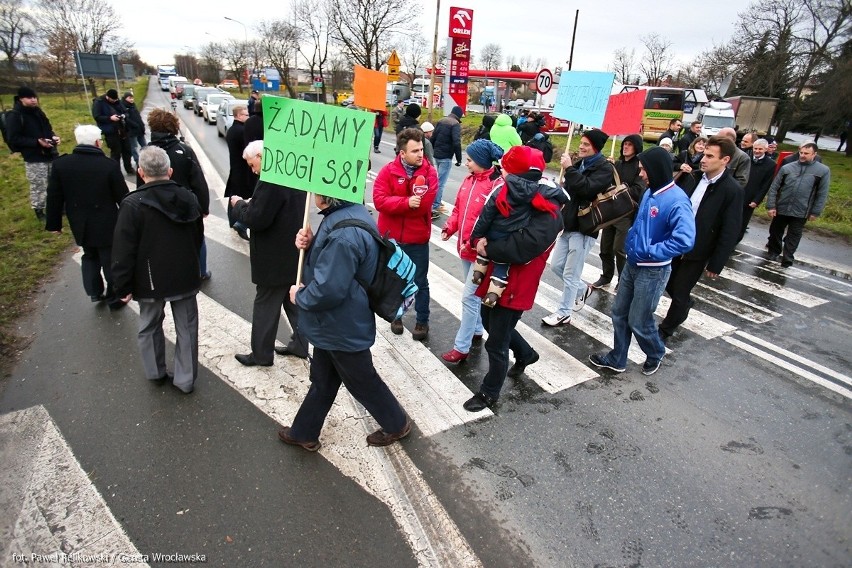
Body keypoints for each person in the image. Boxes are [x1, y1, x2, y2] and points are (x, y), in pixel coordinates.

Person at [278, 195, 412, 451]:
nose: (313, 194)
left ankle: (397, 424)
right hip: (337, 322)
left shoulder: (343, 236)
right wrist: (311, 242)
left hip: (339, 324)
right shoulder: (352, 214)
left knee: (362, 380)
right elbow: (336, 264)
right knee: (324, 379)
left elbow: (329, 288)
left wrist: (300, 296)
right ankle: (304, 431)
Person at [462, 165, 565, 412]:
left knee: (496, 340)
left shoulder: (550, 212)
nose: (503, 175)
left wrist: (489, 248)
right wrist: (479, 239)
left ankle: (489, 392)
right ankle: (525, 353)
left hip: (517, 282)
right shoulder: (517, 198)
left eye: (508, 171)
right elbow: (488, 219)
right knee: (488, 320)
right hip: (498, 275)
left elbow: (524, 247)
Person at [588, 146, 695, 376]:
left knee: (639, 319)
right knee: (619, 312)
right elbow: (640, 223)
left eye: (644, 170)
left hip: (653, 271)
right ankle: (618, 358)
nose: (642, 174)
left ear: (656, 170)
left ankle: (656, 352)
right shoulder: (650, 191)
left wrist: (651, 251)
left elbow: (685, 240)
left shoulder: (677, 200)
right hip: (633, 263)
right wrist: (632, 244)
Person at [111, 146, 204, 394]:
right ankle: (185, 380)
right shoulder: (188, 198)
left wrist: (122, 286)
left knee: (149, 325)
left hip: (149, 278)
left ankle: (155, 371)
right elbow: (198, 238)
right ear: (170, 171)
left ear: (141, 173)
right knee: (187, 328)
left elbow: (123, 249)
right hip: (185, 275)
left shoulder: (132, 205)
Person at [658, 135, 743, 344]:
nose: (703, 159)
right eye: (703, 154)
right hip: (674, 243)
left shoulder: (732, 190)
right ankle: (684, 304)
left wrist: (717, 262)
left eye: (709, 156)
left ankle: (665, 330)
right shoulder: (693, 177)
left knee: (680, 292)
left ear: (725, 160)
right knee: (667, 283)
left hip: (698, 250)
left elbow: (730, 230)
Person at [231, 140, 308, 365]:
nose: (253, 170)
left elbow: (256, 219)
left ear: (262, 156)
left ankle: (261, 354)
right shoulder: (293, 172)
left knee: (265, 304)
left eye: (252, 164)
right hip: (292, 251)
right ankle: (302, 344)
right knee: (291, 301)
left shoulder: (271, 178)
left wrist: (238, 205)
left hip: (273, 255)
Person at [469, 145, 567, 307]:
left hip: (520, 275)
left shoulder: (543, 201)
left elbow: (531, 241)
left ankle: (481, 269)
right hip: (505, 260)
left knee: (501, 329)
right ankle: (492, 286)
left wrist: (479, 241)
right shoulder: (541, 194)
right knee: (490, 321)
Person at [45, 124, 127, 307]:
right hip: (106, 221)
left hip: (79, 221)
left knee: (89, 255)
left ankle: (94, 293)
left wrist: (54, 224)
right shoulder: (108, 165)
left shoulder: (61, 165)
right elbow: (122, 196)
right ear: (98, 142)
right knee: (109, 258)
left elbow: (54, 196)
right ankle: (114, 297)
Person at [439, 139, 504, 363]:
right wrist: (450, 226)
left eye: (470, 160)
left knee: (469, 298)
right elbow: (459, 208)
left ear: (483, 162)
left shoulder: (496, 185)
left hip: (481, 253)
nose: (466, 164)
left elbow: (494, 222)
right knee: (473, 296)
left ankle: (462, 346)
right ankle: (477, 329)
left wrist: (477, 242)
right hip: (465, 248)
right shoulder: (468, 181)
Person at [542, 129, 615, 327]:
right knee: (557, 265)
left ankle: (564, 313)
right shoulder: (580, 163)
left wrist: (570, 169)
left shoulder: (604, 168)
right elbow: (570, 190)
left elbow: (587, 189)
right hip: (568, 223)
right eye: (581, 143)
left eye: (586, 145)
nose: (581, 147)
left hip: (585, 228)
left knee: (570, 273)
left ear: (596, 148)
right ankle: (582, 289)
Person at [373, 128, 438, 340]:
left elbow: (423, 205)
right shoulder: (387, 171)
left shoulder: (429, 173)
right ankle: (397, 315)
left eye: (421, 149)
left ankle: (422, 321)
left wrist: (405, 204)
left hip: (417, 238)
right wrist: (405, 202)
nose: (420, 154)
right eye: (415, 150)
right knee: (394, 280)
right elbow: (379, 201)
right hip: (391, 239)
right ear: (402, 153)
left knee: (420, 281)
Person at [143, 109, 212, 280]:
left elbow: (141, 182)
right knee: (197, 240)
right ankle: (200, 272)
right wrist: (203, 207)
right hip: (185, 204)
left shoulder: (146, 154)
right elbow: (198, 181)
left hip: (154, 205)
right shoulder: (184, 151)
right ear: (173, 126)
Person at [590, 134, 646, 289]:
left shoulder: (638, 167)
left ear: (636, 147)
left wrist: (621, 189)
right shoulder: (618, 164)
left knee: (619, 249)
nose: (626, 146)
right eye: (625, 144)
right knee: (605, 247)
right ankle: (606, 276)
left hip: (625, 214)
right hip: (611, 211)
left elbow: (639, 189)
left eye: (630, 144)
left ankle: (623, 280)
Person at [765, 142, 830, 268]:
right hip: (782, 206)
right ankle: (774, 252)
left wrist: (815, 212)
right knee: (775, 231)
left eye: (806, 153)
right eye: (801, 152)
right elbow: (775, 187)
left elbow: (822, 193)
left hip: (802, 209)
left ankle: (788, 257)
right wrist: (771, 205)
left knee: (794, 235)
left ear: (814, 154)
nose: (803, 155)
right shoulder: (787, 167)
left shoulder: (822, 171)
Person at [5, 86, 60, 221]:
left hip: (50, 153)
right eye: (30, 98)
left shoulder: (38, 112)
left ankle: (57, 207)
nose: (33, 100)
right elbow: (14, 138)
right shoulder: (15, 116)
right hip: (33, 157)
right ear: (21, 99)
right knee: (38, 185)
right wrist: (36, 142)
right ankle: (39, 211)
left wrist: (53, 137)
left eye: (34, 97)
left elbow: (48, 128)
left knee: (55, 182)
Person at [739, 138, 776, 241]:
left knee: (743, 222)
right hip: (739, 193)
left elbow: (766, 185)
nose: (757, 151)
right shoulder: (746, 158)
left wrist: (757, 200)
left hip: (751, 197)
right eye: (755, 148)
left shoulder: (771, 164)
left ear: (765, 149)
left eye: (760, 149)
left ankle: (735, 242)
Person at [224, 104, 252, 240]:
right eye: (246, 115)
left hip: (234, 168)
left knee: (233, 195)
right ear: (239, 115)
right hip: (242, 170)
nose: (248, 117)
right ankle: (240, 223)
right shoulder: (242, 131)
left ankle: (232, 221)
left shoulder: (231, 130)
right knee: (241, 198)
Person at [431, 105, 463, 218]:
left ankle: (436, 201)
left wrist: (432, 150)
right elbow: (456, 142)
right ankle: (435, 205)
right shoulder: (455, 124)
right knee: (441, 182)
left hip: (437, 154)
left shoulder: (442, 120)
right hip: (446, 156)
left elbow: (433, 137)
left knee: (437, 180)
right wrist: (459, 159)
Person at [92, 88, 132, 174]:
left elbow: (125, 111)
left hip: (123, 129)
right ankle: (115, 172)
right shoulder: (99, 103)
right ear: (108, 97)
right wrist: (110, 118)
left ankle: (129, 168)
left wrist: (123, 116)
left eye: (116, 99)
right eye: (113, 99)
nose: (115, 101)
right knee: (116, 152)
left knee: (127, 150)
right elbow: (97, 116)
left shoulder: (117, 101)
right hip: (111, 132)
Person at [121, 92, 146, 167]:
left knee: (144, 145)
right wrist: (135, 125)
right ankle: (137, 160)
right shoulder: (123, 107)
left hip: (139, 129)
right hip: (132, 130)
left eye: (132, 98)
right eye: (129, 98)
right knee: (134, 147)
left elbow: (138, 117)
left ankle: (145, 159)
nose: (131, 99)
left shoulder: (133, 105)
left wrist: (142, 126)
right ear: (125, 98)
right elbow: (127, 119)